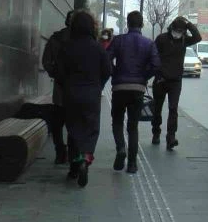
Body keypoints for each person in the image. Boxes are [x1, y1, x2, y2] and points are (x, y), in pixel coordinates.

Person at [56, 11, 112, 187]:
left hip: (71, 94)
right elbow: (107, 70)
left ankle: (74, 167)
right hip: (91, 94)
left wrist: (66, 85)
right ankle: (85, 159)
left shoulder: (66, 47)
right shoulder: (98, 48)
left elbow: (59, 72)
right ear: (91, 27)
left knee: (73, 129)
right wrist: (98, 85)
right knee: (91, 129)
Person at [107, 11, 161, 173]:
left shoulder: (118, 40)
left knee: (117, 121)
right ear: (142, 25)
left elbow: (106, 58)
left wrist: (114, 72)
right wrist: (144, 77)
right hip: (137, 89)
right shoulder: (149, 43)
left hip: (119, 87)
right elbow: (156, 65)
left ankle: (120, 148)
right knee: (133, 126)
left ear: (127, 24)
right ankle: (132, 164)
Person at [152, 16, 202, 150]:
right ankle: (156, 132)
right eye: (176, 30)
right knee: (157, 108)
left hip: (175, 81)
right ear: (171, 28)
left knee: (173, 109)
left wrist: (189, 24)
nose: (178, 33)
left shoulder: (184, 40)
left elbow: (198, 37)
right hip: (160, 80)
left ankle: (171, 137)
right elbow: (153, 57)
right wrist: (157, 74)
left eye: (181, 31)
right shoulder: (161, 39)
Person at [41, 10, 74, 164]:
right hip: (79, 90)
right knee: (75, 124)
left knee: (57, 123)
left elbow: (46, 61)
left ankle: (60, 152)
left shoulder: (56, 39)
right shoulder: (86, 40)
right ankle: (75, 156)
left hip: (60, 89)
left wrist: (56, 74)